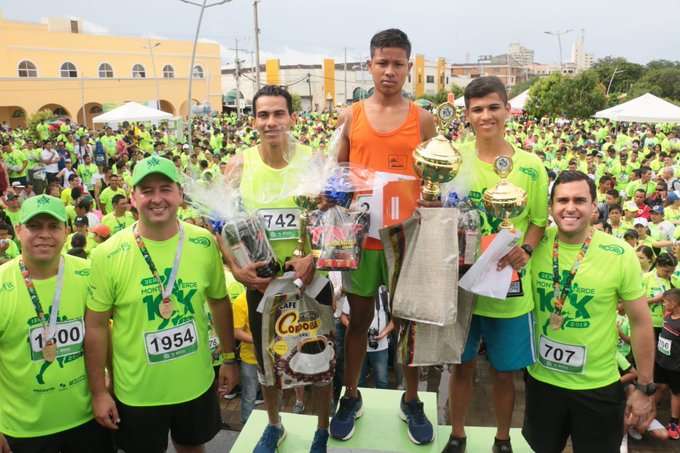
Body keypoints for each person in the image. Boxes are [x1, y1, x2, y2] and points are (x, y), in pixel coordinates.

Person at [84, 155, 238, 453]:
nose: (157, 199)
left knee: (193, 447)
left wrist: (229, 358)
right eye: (147, 190)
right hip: (137, 391)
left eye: (165, 189)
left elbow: (219, 302)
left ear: (180, 194)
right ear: (132, 197)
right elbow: (95, 326)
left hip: (196, 383)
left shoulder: (204, 242)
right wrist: (99, 391)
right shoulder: (107, 254)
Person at [333, 28, 437, 445]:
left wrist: (431, 199)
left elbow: (435, 177)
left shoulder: (422, 118)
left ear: (409, 68)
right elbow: (337, 175)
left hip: (406, 240)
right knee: (358, 322)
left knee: (409, 325)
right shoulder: (351, 116)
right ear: (370, 65)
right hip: (361, 241)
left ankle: (411, 400)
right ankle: (351, 395)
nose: (389, 71)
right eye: (382, 63)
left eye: (397, 64)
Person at [444, 76, 549, 453]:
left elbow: (538, 220)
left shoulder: (532, 165)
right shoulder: (454, 159)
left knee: (506, 373)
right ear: (467, 115)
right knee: (462, 367)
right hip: (465, 283)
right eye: (477, 109)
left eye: (493, 107)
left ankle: (503, 439)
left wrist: (527, 250)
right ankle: (457, 434)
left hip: (509, 286)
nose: (486, 115)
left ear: (507, 109)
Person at [522, 171, 655, 453]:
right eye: (562, 200)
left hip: (598, 387)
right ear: (550, 207)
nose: (570, 207)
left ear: (594, 207)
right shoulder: (534, 246)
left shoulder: (619, 253)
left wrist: (644, 387)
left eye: (579, 200)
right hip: (542, 383)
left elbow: (641, 321)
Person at [0, 195, 114, 453]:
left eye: (53, 226)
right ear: (18, 230)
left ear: (66, 230)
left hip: (88, 418)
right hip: (23, 429)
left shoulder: (88, 273)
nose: (44, 234)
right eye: (34, 226)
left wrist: (106, 391)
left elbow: (105, 334)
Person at [654, 288, 680, 440]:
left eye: (665, 302)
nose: (663, 304)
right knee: (659, 387)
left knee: (675, 393)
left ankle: (674, 423)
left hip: (675, 366)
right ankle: (647, 411)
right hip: (661, 361)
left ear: (675, 303)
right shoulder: (668, 315)